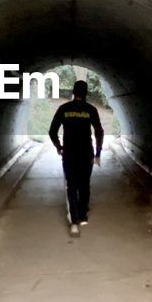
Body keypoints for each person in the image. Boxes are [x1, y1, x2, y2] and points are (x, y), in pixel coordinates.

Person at [48, 79, 104, 236]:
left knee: (71, 186)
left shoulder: (64, 109)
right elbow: (99, 132)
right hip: (86, 153)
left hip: (70, 154)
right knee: (84, 184)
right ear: (86, 93)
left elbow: (52, 131)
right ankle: (83, 215)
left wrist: (59, 147)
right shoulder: (91, 109)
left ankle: (74, 223)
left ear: (73, 92)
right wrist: (98, 153)